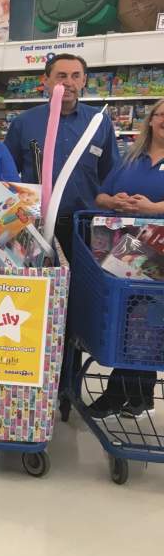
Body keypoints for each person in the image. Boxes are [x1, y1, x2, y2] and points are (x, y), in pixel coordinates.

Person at [89, 99, 164, 419]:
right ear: (151, 120)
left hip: (159, 259)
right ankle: (135, 393)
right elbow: (100, 195)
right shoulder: (130, 157)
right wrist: (113, 200)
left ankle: (124, 392)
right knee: (126, 321)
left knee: (148, 323)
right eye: (162, 114)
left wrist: (154, 209)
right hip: (123, 257)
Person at [4, 54, 117, 257]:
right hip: (35, 222)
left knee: (83, 283)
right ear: (46, 81)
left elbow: (111, 172)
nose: (68, 82)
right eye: (61, 75)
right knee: (40, 283)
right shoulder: (24, 123)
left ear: (83, 81)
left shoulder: (99, 122)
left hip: (85, 222)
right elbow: (9, 174)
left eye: (76, 76)